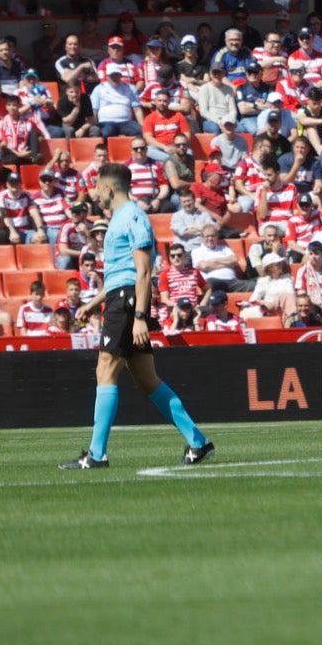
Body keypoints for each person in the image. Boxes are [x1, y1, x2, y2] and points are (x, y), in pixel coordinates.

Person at [59, 162, 214, 470]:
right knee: (147, 379)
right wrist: (93, 304)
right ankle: (198, 442)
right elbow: (121, 273)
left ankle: (96, 454)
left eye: (98, 187)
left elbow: (142, 272)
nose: (95, 193)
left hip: (128, 303)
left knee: (106, 369)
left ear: (109, 188)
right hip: (120, 297)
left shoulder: (132, 217)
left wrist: (141, 315)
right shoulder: (120, 218)